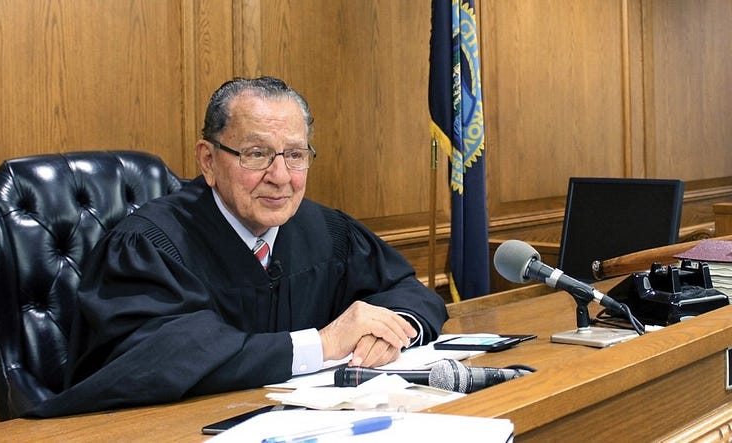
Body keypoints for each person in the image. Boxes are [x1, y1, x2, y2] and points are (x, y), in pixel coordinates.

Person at [28, 76, 447, 417]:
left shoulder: (328, 231)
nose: (280, 177)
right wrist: (322, 344)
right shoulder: (148, 246)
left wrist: (393, 329)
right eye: (256, 154)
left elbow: (408, 292)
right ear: (208, 160)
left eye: (295, 154)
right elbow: (163, 358)